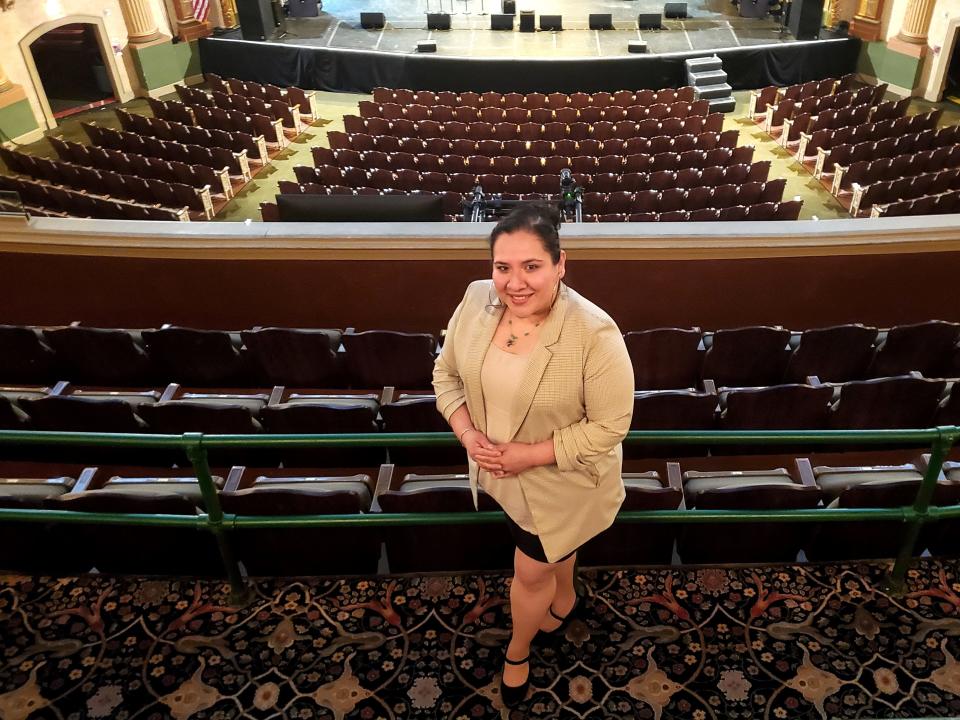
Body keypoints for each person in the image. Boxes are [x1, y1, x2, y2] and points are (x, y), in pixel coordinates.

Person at [432, 202, 634, 708]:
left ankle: (519, 652)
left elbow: (612, 426)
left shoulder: (594, 333)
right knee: (551, 564)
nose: (514, 282)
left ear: (560, 264)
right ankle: (565, 599)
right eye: (503, 267)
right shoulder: (477, 298)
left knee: (529, 574)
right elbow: (446, 376)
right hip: (499, 476)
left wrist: (532, 455)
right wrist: (465, 433)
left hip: (559, 487)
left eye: (531, 266)